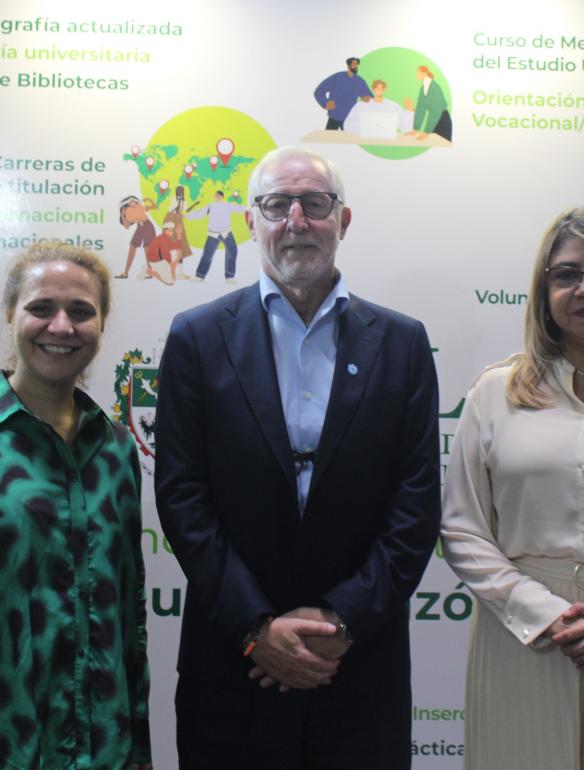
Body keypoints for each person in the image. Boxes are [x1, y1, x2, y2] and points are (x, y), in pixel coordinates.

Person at [155, 146, 440, 770]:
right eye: (277, 204)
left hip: (357, 668)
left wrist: (340, 623)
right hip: (235, 666)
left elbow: (416, 504)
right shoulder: (196, 337)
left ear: (343, 220)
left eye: (315, 204)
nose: (296, 220)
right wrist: (257, 629)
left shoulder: (403, 343)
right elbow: (181, 496)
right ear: (253, 219)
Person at [0, 242, 152, 769]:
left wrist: (140, 745)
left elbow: (130, 613)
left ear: (101, 325)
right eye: (41, 308)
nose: (61, 326)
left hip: (104, 747)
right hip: (3, 743)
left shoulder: (118, 447)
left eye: (81, 312)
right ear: (11, 314)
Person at [441, 208, 584, 770]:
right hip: (527, 635)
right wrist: (544, 612)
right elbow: (461, 528)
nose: (580, 288)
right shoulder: (496, 394)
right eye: (566, 273)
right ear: (542, 286)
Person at [186, 190, 246, 282]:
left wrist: (251, 208)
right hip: (213, 233)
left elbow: (239, 208)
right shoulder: (210, 205)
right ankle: (199, 276)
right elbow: (199, 213)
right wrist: (187, 216)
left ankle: (229, 277)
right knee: (207, 255)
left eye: (218, 195)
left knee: (232, 253)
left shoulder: (227, 204)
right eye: (215, 196)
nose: (216, 197)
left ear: (222, 196)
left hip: (226, 233)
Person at [314, 57, 372, 130]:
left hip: (350, 119)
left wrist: (367, 98)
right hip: (334, 116)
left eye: (357, 65)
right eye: (354, 64)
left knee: (350, 140)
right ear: (348, 66)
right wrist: (325, 103)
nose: (356, 66)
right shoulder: (337, 78)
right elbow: (319, 91)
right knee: (328, 140)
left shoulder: (359, 81)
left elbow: (370, 97)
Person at [343, 78, 414, 134]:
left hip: (388, 143)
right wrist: (367, 128)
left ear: (384, 89)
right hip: (365, 141)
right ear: (372, 89)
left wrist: (410, 110)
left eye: (380, 88)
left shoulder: (393, 106)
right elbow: (347, 125)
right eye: (376, 88)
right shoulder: (361, 105)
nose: (378, 90)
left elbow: (405, 128)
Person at [406, 65, 452, 142]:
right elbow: (421, 108)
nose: (417, 74)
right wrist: (416, 129)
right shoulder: (423, 87)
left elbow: (435, 111)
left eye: (418, 72)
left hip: (442, 120)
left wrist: (426, 132)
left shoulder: (435, 87)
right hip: (434, 121)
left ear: (425, 73)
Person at [115, 195, 157, 279]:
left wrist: (149, 199)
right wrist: (122, 215)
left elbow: (155, 207)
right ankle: (125, 273)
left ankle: (151, 272)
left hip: (148, 225)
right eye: (130, 201)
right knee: (132, 246)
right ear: (126, 204)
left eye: (133, 200)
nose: (132, 201)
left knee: (147, 248)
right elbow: (127, 226)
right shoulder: (127, 212)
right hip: (140, 227)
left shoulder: (140, 206)